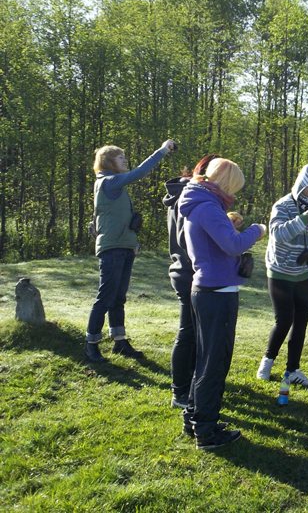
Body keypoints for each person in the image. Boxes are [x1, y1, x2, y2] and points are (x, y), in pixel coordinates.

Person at [179, 158, 267, 449]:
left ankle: (194, 418)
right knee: (214, 363)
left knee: (205, 360)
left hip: (209, 288)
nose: (234, 194)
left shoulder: (200, 202)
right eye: (235, 188)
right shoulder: (207, 206)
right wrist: (257, 230)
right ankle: (206, 430)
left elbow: (218, 241)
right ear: (227, 183)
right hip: (217, 292)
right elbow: (233, 245)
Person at [85, 139, 176, 363]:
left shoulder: (112, 184)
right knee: (105, 297)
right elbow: (140, 172)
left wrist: (132, 241)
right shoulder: (109, 182)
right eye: (120, 157)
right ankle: (91, 344)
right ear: (108, 162)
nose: (125, 160)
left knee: (118, 298)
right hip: (112, 248)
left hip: (123, 246)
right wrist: (162, 150)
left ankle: (120, 342)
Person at [256, 164, 308, 386]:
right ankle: (267, 362)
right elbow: (278, 234)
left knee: (301, 323)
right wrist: (304, 219)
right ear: (302, 187)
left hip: (303, 274)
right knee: (283, 321)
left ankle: (292, 370)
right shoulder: (283, 205)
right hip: (280, 272)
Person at [162, 154, 218, 408]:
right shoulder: (191, 196)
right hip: (188, 271)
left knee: (194, 333)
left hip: (183, 268)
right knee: (188, 333)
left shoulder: (185, 193)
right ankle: (180, 392)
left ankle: (193, 385)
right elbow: (188, 240)